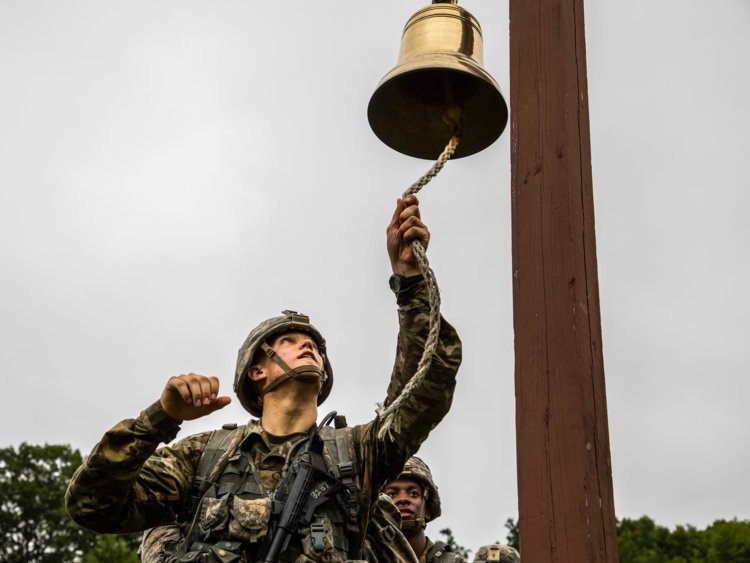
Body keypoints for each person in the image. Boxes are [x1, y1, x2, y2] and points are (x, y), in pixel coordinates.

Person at [66, 194, 462, 562]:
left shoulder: (356, 454)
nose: (310, 348)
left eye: (316, 347)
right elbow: (93, 505)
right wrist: (161, 417)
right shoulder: (205, 457)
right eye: (290, 341)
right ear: (257, 370)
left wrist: (410, 283)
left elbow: (426, 385)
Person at [372, 456, 466, 563]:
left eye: (413, 493)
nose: (403, 499)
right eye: (392, 494)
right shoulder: (365, 556)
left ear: (428, 510)